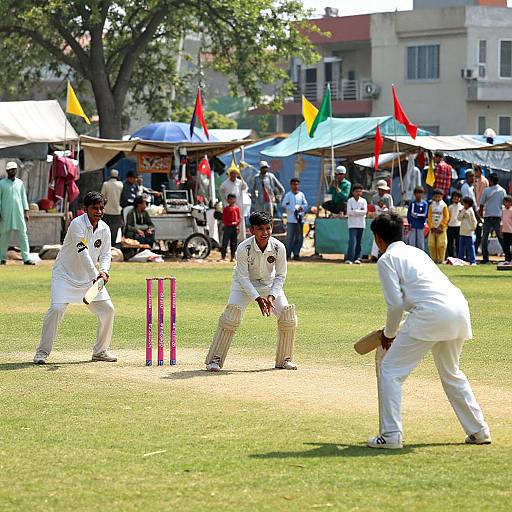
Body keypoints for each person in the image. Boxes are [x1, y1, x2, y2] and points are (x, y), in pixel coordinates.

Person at [367, 212, 490, 449]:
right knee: (451, 373)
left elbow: (396, 305)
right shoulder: (416, 251)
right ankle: (479, 430)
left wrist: (389, 335)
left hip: (431, 314)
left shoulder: (386, 260)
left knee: (390, 370)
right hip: (458, 309)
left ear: (378, 239)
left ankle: (391, 435)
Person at [205, 211, 297, 372]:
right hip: (243, 285)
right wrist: (257, 298)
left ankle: (284, 359)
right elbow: (242, 277)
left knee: (288, 317)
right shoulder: (243, 248)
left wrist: (271, 296)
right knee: (230, 317)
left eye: (268, 228)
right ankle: (215, 360)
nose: (265, 232)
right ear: (251, 230)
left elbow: (281, 275)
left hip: (269, 285)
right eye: (260, 229)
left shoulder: (278, 247)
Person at [34, 191, 116, 364]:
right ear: (85, 209)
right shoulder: (76, 224)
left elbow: (106, 254)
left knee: (108, 310)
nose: (99, 212)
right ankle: (41, 353)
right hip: (65, 275)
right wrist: (96, 275)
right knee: (56, 309)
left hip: (89, 279)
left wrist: (105, 271)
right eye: (95, 208)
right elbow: (82, 252)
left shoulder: (105, 229)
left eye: (101, 208)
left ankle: (100, 352)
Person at [0, 162, 35, 265]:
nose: (13, 171)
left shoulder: (20, 183)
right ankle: (2, 258)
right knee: (3, 236)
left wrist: (26, 211)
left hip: (18, 213)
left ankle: (26, 258)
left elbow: (24, 197)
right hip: (5, 214)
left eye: (14, 169)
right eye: (11, 170)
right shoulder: (1, 184)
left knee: (23, 234)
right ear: (7, 171)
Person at [479, 174, 506, 264]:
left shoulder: (486, 191)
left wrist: (481, 215)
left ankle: (485, 258)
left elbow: (481, 204)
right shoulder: (502, 190)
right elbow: (505, 203)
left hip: (488, 217)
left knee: (484, 238)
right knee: (501, 237)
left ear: (490, 180)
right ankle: (508, 256)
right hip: (498, 217)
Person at [282, 177, 308, 260]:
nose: (295, 186)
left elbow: (305, 204)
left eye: (297, 184)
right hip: (291, 219)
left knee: (299, 237)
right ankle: (288, 254)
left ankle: (296, 254)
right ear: (291, 185)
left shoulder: (301, 195)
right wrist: (293, 209)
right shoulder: (288, 195)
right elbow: (284, 204)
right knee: (290, 237)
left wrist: (302, 208)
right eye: (294, 184)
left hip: (300, 219)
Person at [219, 165, 247, 241]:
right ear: (229, 174)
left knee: (240, 222)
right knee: (229, 224)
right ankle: (228, 241)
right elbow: (221, 193)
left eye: (235, 173)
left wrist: (241, 178)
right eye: (232, 173)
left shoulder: (239, 182)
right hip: (229, 207)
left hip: (238, 205)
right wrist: (225, 203)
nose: (233, 175)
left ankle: (241, 239)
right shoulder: (225, 184)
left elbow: (245, 187)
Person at [100, 169, 123, 245]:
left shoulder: (106, 184)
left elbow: (102, 197)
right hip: (117, 211)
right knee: (115, 230)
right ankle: (112, 245)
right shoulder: (120, 185)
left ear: (110, 175)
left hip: (107, 211)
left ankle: (105, 245)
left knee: (106, 229)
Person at [346, 184, 367, 264]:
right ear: (353, 192)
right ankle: (350, 258)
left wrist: (354, 211)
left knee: (359, 242)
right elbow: (349, 212)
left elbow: (364, 212)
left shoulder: (363, 201)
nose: (358, 193)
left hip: (361, 224)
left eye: (360, 191)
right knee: (352, 241)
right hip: (352, 224)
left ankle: (358, 258)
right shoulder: (350, 201)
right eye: (356, 191)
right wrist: (359, 212)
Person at [427, 189, 449, 264]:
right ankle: (433, 259)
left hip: (441, 228)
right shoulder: (431, 205)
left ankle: (441, 260)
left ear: (442, 196)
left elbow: (446, 217)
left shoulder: (444, 206)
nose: (437, 198)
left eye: (439, 197)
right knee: (431, 244)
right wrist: (432, 226)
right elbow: (429, 217)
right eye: (436, 197)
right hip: (433, 228)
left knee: (441, 244)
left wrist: (441, 226)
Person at [220, 194, 241, 261]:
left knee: (234, 243)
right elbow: (223, 219)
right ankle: (223, 256)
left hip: (234, 227)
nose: (232, 201)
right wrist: (228, 223)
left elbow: (238, 218)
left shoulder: (236, 208)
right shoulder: (226, 209)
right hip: (227, 227)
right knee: (225, 242)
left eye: (233, 199)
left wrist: (236, 224)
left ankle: (233, 256)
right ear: (228, 200)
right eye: (230, 199)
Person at [457, 197, 478, 265]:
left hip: (469, 233)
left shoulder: (471, 211)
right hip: (462, 232)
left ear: (469, 204)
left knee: (470, 247)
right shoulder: (463, 210)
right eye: (464, 203)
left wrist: (472, 229)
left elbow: (474, 221)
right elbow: (459, 218)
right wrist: (462, 212)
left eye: (466, 203)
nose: (464, 205)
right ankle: (460, 260)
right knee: (461, 248)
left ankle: (473, 261)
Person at [406, 187, 428, 251]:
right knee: (411, 242)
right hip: (412, 225)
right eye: (417, 193)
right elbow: (409, 214)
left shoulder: (425, 203)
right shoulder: (412, 203)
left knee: (420, 242)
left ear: (423, 194)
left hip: (420, 225)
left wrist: (417, 215)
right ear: (414, 194)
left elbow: (425, 214)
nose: (419, 195)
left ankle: (421, 256)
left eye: (421, 193)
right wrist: (409, 222)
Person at [473, 165, 488, 253]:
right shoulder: (477, 181)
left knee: (480, 229)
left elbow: (482, 196)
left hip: (481, 208)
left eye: (476, 171)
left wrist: (480, 208)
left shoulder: (483, 181)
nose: (475, 173)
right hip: (477, 207)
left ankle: (479, 247)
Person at [447, 191, 463, 258]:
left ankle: (458, 256)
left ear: (460, 198)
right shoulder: (450, 207)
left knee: (458, 243)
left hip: (459, 226)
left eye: (457, 197)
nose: (456, 198)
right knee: (450, 243)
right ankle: (451, 256)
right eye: (454, 197)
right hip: (450, 226)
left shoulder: (462, 207)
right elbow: (448, 216)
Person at [500, 195, 512, 264]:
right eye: (504, 202)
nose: (505, 203)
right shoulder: (503, 210)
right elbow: (502, 220)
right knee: (505, 247)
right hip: (505, 231)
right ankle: (507, 260)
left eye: (506, 202)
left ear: (510, 202)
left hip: (511, 231)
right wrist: (501, 230)